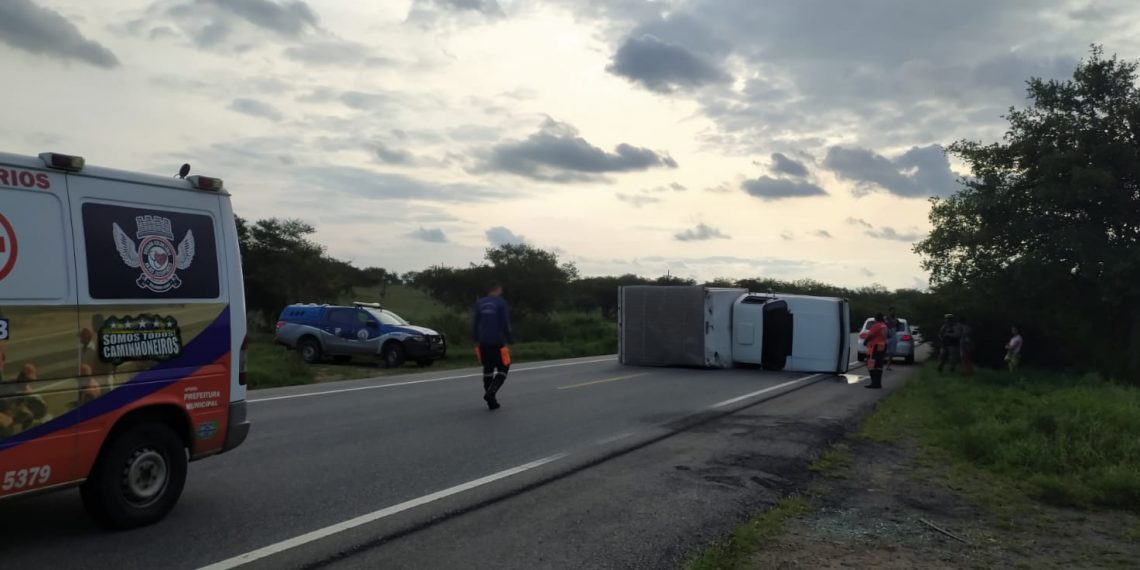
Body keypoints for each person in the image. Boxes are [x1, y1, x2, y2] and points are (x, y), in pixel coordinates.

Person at [473, 282, 514, 410]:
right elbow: (504, 323)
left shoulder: (479, 303)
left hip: (483, 342)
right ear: (497, 289)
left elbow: (475, 323)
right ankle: (491, 392)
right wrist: (510, 338)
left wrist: (475, 338)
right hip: (498, 342)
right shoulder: (501, 303)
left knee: (488, 369)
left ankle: (491, 401)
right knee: (504, 366)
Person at [864, 313, 889, 389]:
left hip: (875, 346)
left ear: (876, 318)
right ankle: (878, 383)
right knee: (878, 365)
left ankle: (874, 383)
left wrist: (866, 341)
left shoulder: (876, 326)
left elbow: (871, 335)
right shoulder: (884, 326)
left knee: (871, 364)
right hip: (882, 346)